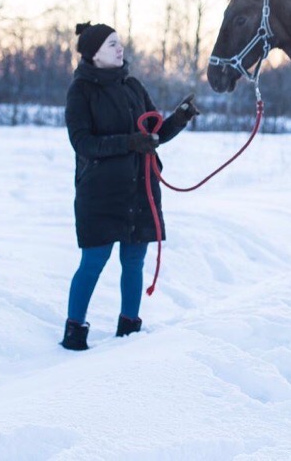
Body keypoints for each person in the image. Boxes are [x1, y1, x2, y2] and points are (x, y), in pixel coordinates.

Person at [60, 22, 200, 351]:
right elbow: (83, 143)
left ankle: (129, 330)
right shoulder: (81, 91)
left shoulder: (133, 86)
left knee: (134, 262)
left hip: (140, 188)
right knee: (93, 262)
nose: (120, 48)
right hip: (101, 193)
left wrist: (179, 118)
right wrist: (129, 142)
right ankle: (74, 331)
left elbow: (154, 134)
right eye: (111, 44)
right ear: (93, 53)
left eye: (119, 42)